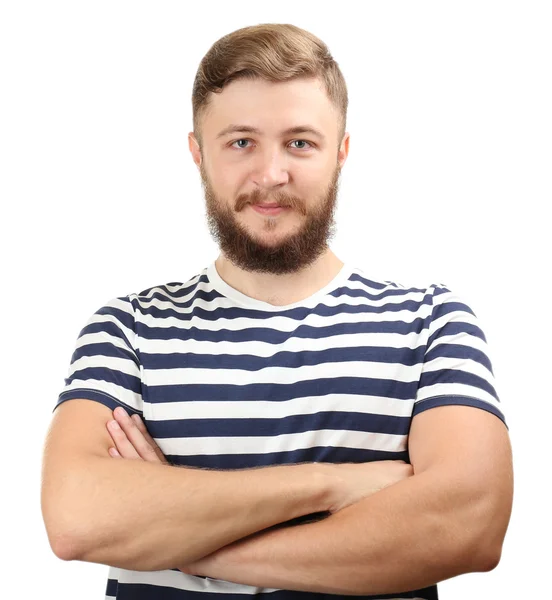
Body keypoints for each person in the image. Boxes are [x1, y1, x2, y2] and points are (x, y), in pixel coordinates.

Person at [41, 22, 513, 600]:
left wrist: (177, 536)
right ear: (197, 153)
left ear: (341, 151)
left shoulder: (431, 322)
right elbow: (76, 519)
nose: (271, 174)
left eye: (300, 142)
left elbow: (470, 527)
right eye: (241, 141)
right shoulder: (129, 329)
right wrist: (331, 486)